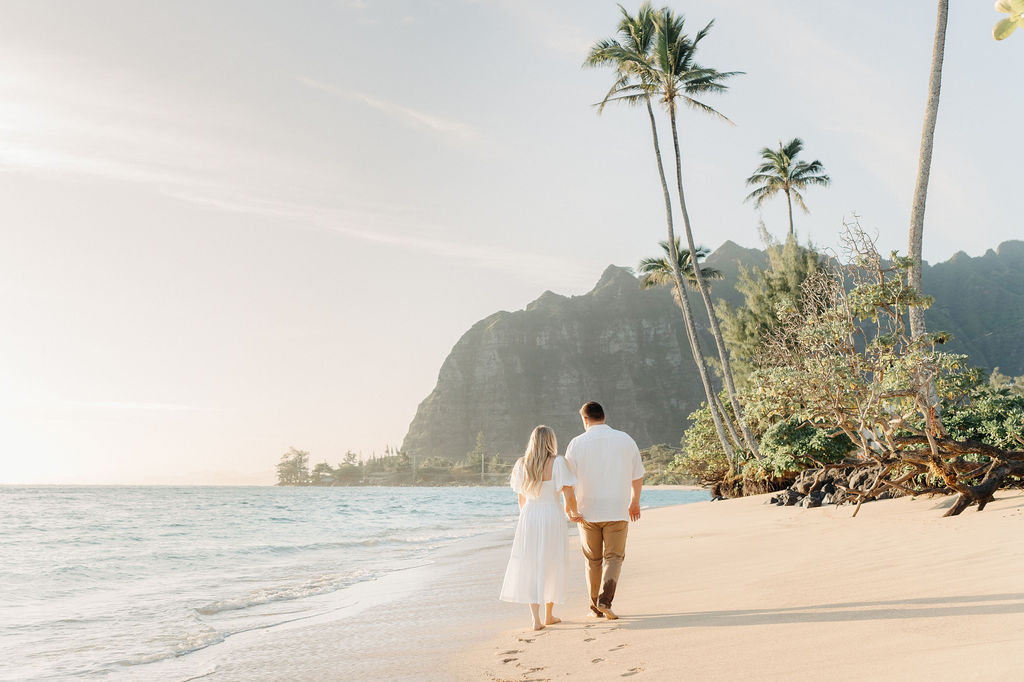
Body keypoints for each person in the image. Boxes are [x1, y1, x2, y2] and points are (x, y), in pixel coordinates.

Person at [564, 401, 644, 620]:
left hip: (587, 511)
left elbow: (568, 482)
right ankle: (605, 601)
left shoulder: (576, 443)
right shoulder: (625, 439)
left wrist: (570, 508)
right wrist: (634, 501)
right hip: (617, 509)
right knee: (614, 557)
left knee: (593, 560)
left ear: (584, 419)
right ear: (604, 417)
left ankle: (594, 607)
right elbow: (637, 475)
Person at [499, 425, 582, 630]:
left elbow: (521, 498)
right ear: (550, 441)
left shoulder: (522, 464)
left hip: (529, 515)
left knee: (531, 563)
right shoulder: (558, 462)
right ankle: (549, 615)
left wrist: (526, 516)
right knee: (551, 561)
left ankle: (535, 619)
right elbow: (568, 494)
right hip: (552, 514)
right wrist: (573, 512)